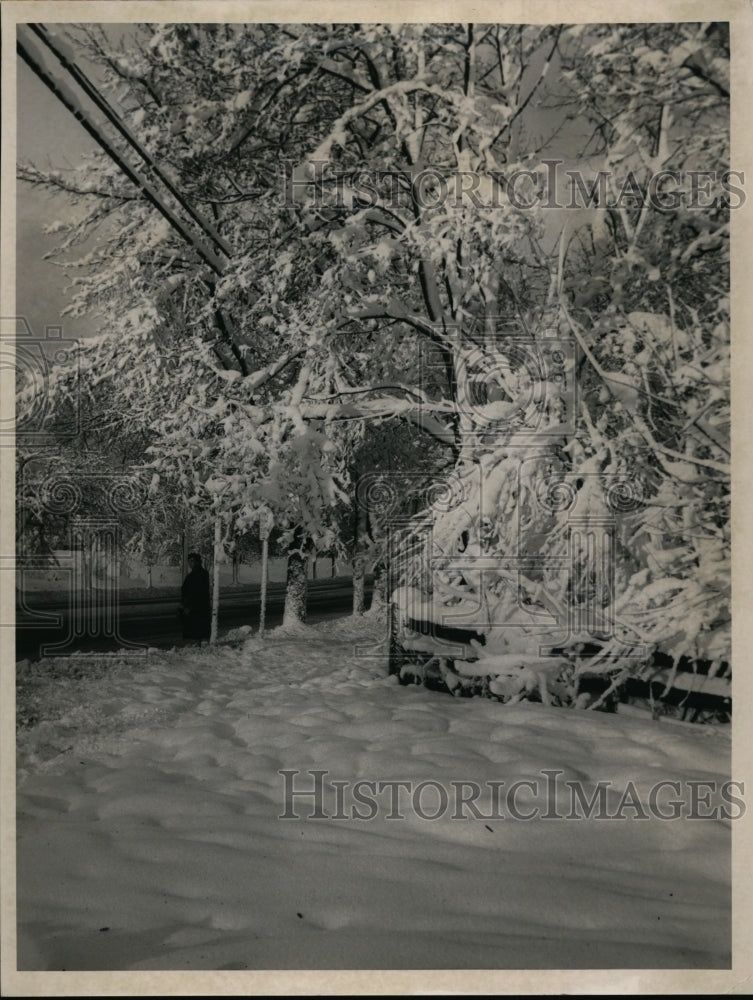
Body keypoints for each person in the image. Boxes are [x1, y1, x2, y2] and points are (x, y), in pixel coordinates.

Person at [180, 552, 211, 645]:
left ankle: (201, 645)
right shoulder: (195, 574)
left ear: (198, 562)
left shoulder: (199, 575)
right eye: (189, 561)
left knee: (198, 628)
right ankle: (200, 644)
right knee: (198, 629)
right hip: (197, 606)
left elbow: (196, 592)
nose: (190, 563)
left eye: (192, 561)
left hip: (197, 606)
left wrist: (188, 605)